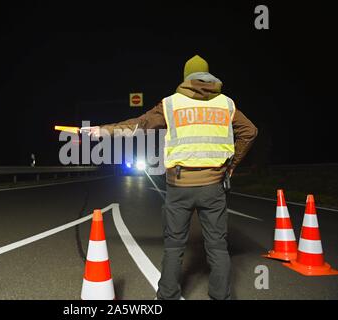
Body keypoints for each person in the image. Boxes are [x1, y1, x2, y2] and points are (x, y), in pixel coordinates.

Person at [84, 55, 258, 300]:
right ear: (208, 76)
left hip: (179, 185)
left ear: (186, 77)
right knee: (218, 247)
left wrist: (103, 130)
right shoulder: (226, 104)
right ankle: (221, 296)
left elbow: (140, 124)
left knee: (175, 245)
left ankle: (167, 296)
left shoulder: (171, 104)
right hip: (214, 186)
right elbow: (250, 131)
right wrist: (231, 166)